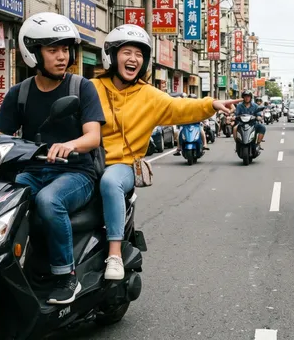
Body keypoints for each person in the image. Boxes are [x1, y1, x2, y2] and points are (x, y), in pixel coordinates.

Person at [91, 25, 239, 281]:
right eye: (127, 52)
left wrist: (211, 104)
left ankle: (114, 254)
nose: (133, 59)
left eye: (139, 54)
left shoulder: (149, 95)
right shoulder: (90, 87)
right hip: (86, 164)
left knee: (111, 181)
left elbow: (179, 106)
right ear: (112, 56)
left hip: (121, 167)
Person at [0, 12, 106, 305]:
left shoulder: (81, 87)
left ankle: (66, 275)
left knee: (48, 201)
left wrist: (70, 145)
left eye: (65, 49)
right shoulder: (20, 93)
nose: (62, 56)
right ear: (33, 53)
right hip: (32, 170)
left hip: (76, 174)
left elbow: (93, 137)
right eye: (53, 50)